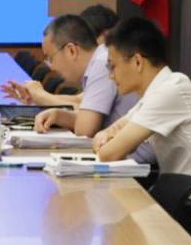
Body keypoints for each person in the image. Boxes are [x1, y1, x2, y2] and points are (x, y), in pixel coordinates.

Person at [94, 17, 191, 200]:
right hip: (179, 197)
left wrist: (107, 142)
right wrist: (105, 137)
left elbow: (109, 154)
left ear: (137, 62)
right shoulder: (160, 89)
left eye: (112, 66)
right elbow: (111, 132)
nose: (110, 76)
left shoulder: (170, 91)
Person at [31, 15, 154, 163]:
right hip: (121, 156)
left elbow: (85, 130)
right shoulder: (101, 58)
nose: (51, 67)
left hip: (135, 164)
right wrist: (59, 115)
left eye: (51, 58)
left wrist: (43, 98)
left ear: (71, 50)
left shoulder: (102, 63)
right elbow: (86, 113)